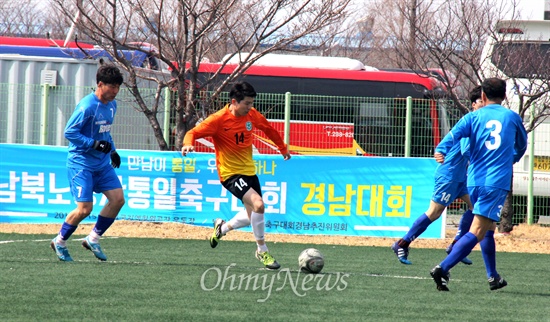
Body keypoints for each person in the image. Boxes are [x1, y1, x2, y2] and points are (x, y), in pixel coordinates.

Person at [430, 78, 527, 291]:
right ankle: (443, 268)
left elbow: (453, 135)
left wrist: (441, 149)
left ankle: (493, 277)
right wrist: (512, 157)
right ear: (505, 96)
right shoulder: (511, 117)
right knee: (477, 231)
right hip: (495, 183)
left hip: (473, 182)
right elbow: (522, 145)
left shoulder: (472, 117)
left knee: (488, 229)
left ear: (482, 96)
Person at [181, 81, 291, 270]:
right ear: (234, 101)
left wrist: (282, 148)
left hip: (249, 171)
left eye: (252, 103)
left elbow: (269, 129)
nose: (250, 107)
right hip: (229, 174)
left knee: (252, 215)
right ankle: (262, 250)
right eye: (247, 103)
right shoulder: (218, 120)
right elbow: (192, 132)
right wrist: (187, 143)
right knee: (259, 205)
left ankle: (221, 228)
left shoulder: (251, 115)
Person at [391, 86, 483, 265]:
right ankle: (402, 243)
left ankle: (456, 246)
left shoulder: (480, 121)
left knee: (476, 207)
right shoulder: (470, 121)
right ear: (473, 105)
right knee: (434, 213)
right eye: (481, 101)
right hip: (448, 175)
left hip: (461, 178)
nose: (484, 104)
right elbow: (465, 149)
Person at [50, 64, 125, 262]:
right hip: (81, 164)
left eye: (118, 87)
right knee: (85, 209)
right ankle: (59, 241)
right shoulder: (87, 107)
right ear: (100, 84)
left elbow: (105, 132)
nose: (115, 91)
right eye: (112, 87)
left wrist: (112, 150)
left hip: (101, 164)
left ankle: (93, 238)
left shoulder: (112, 105)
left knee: (118, 200)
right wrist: (93, 144)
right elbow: (69, 132)